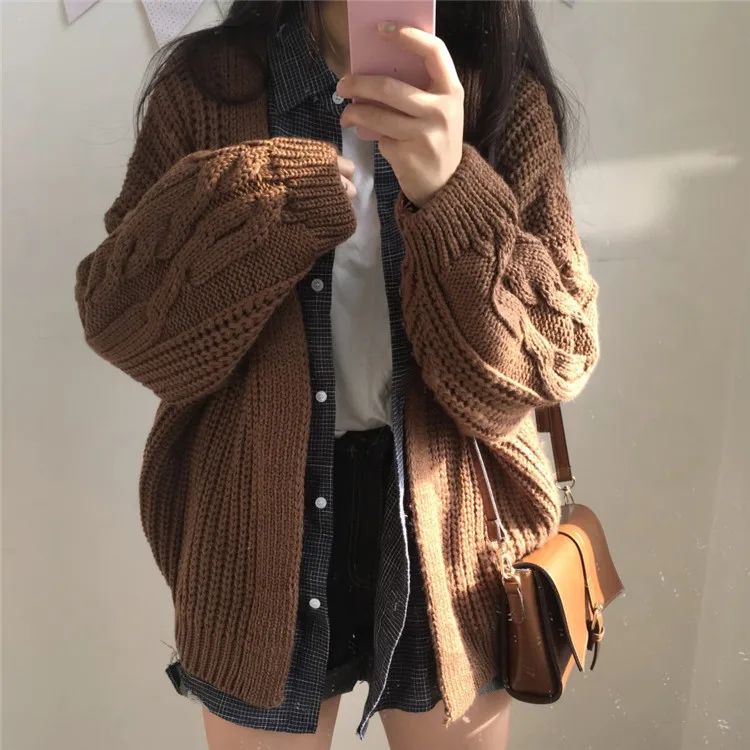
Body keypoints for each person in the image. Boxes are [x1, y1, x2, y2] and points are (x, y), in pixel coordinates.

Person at [74, 1, 599, 748]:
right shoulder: (209, 86)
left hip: (454, 533)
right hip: (252, 527)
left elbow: (550, 361)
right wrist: (279, 195)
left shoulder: (500, 96)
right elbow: (125, 323)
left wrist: (450, 188)